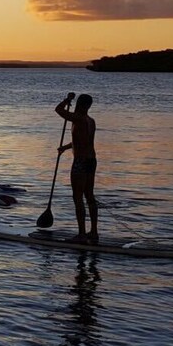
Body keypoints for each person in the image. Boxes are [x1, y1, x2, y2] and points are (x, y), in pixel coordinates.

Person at [56, 93, 97, 244]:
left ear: (80, 105)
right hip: (91, 160)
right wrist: (65, 147)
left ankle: (81, 234)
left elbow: (58, 110)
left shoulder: (78, 118)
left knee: (78, 197)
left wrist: (67, 100)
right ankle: (93, 232)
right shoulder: (90, 121)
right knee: (89, 196)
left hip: (80, 162)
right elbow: (81, 141)